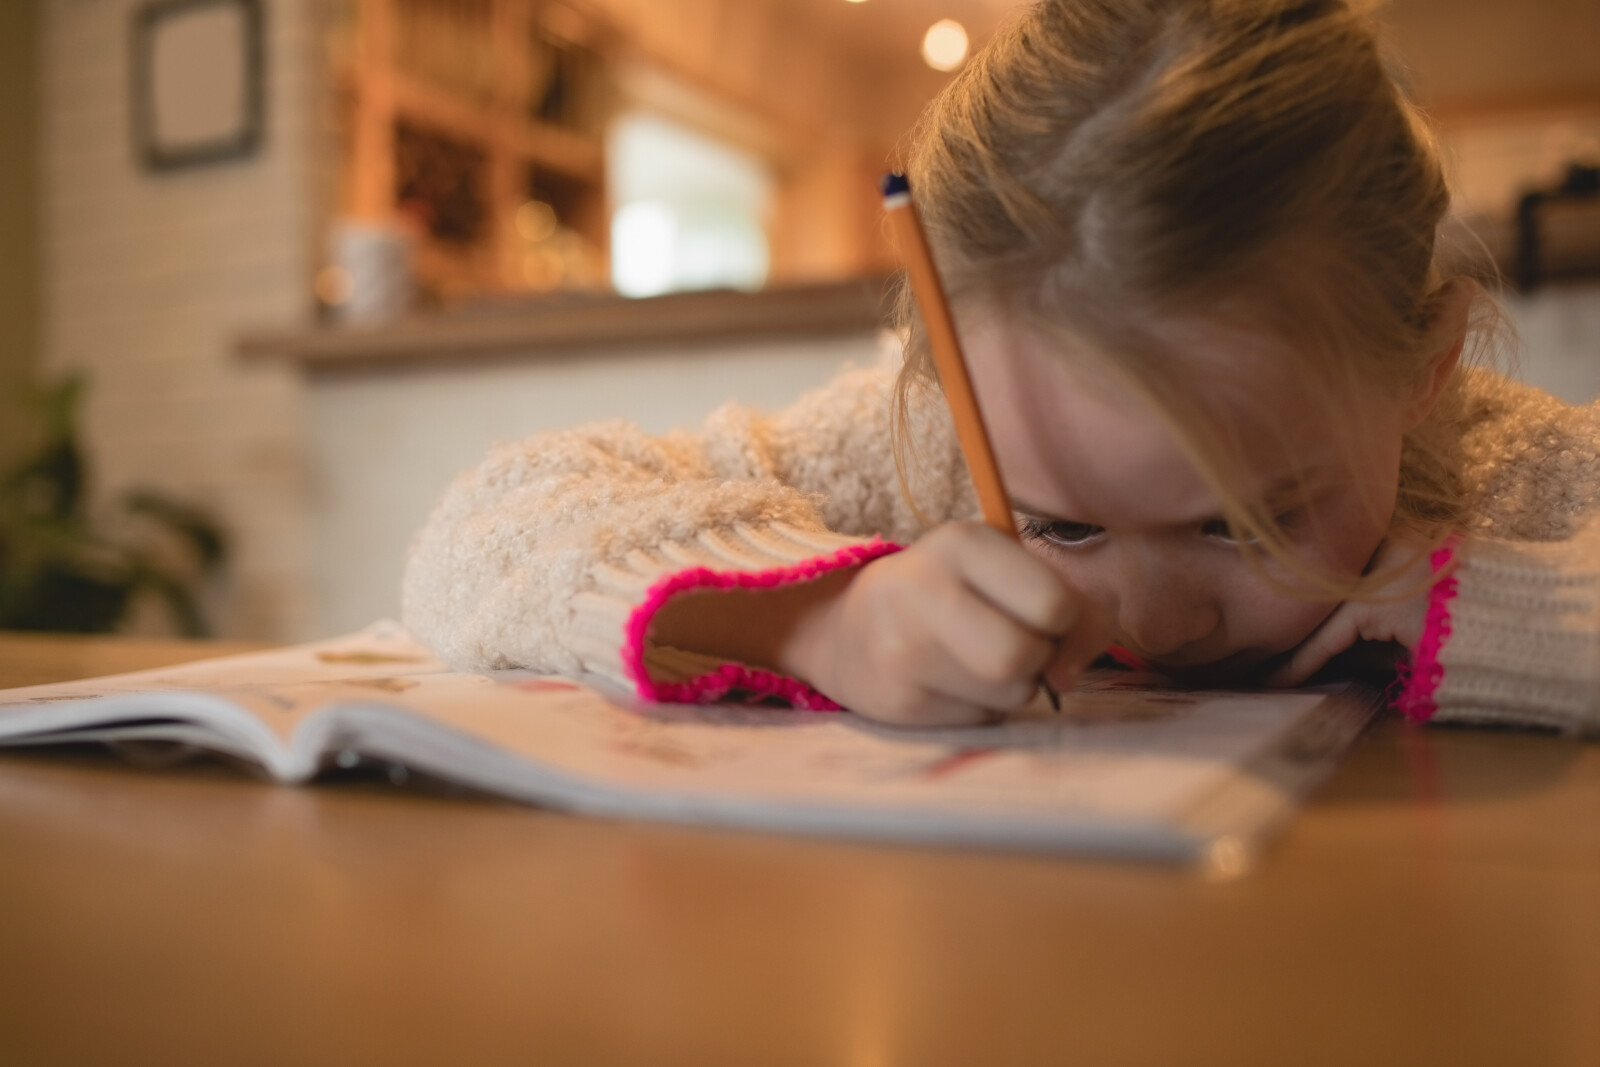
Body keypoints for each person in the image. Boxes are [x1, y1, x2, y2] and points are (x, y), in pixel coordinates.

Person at [402, 0, 1600, 734]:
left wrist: (1489, 614)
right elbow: (484, 527)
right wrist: (822, 620)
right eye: (1062, 527)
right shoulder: (917, 450)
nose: (1158, 615)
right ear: (944, 383)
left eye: (1248, 522)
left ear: (1423, 369)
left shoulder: (1502, 480)